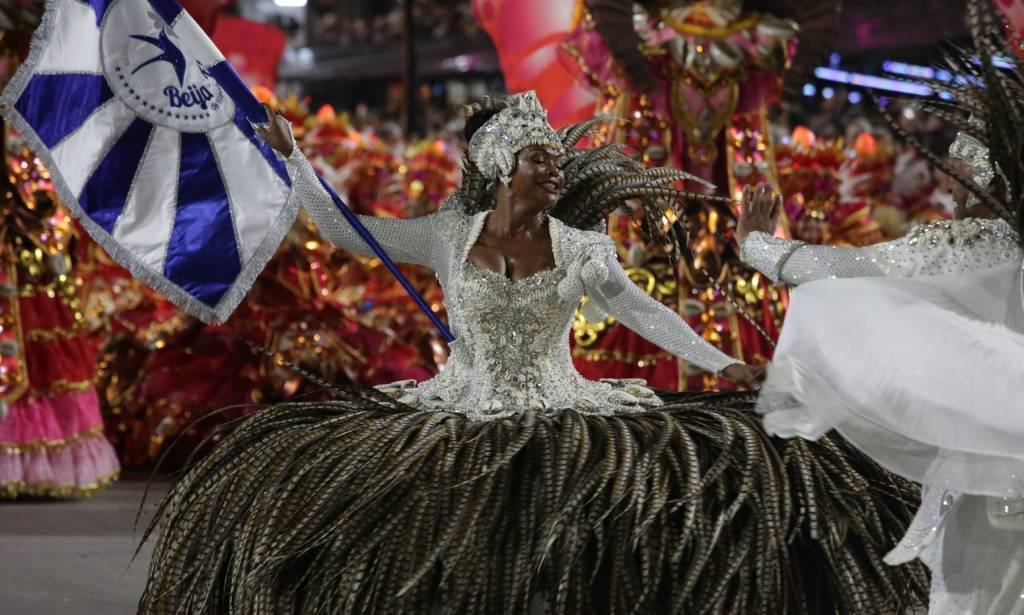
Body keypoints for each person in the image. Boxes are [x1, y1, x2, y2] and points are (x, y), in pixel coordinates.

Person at [140, 92, 926, 613]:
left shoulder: (583, 244)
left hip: (563, 406)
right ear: (501, 167)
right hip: (457, 406)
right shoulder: (449, 235)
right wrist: (295, 160)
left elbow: (644, 311)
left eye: (557, 157)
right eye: (541, 159)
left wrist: (723, 365)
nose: (557, 168)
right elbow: (349, 231)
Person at [736, 3, 1024, 611]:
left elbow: (849, 267)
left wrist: (757, 246)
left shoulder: (966, 245)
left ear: (995, 179)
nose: (948, 185)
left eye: (961, 171)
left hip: (991, 488)